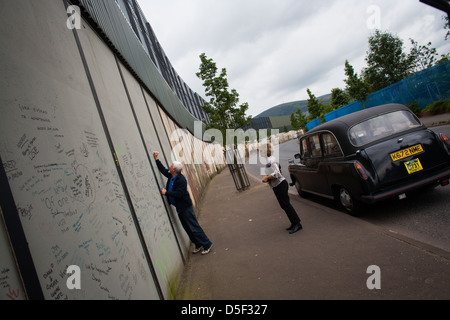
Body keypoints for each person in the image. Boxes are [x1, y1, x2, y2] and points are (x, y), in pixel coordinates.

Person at [153, 151, 213, 255]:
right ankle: (198, 244)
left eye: (171, 166)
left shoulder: (181, 180)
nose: (169, 167)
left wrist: (166, 193)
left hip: (185, 208)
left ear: (174, 170)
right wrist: (156, 159)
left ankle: (207, 244)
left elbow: (179, 194)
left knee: (194, 227)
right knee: (187, 228)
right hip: (180, 208)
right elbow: (163, 170)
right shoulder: (172, 175)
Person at [262, 144, 303, 234]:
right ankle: (294, 222)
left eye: (261, 150)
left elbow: (277, 174)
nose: (260, 152)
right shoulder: (269, 160)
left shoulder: (270, 160)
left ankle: (297, 224)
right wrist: (267, 177)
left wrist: (266, 177)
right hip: (277, 185)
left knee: (286, 205)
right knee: (284, 205)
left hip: (280, 185)